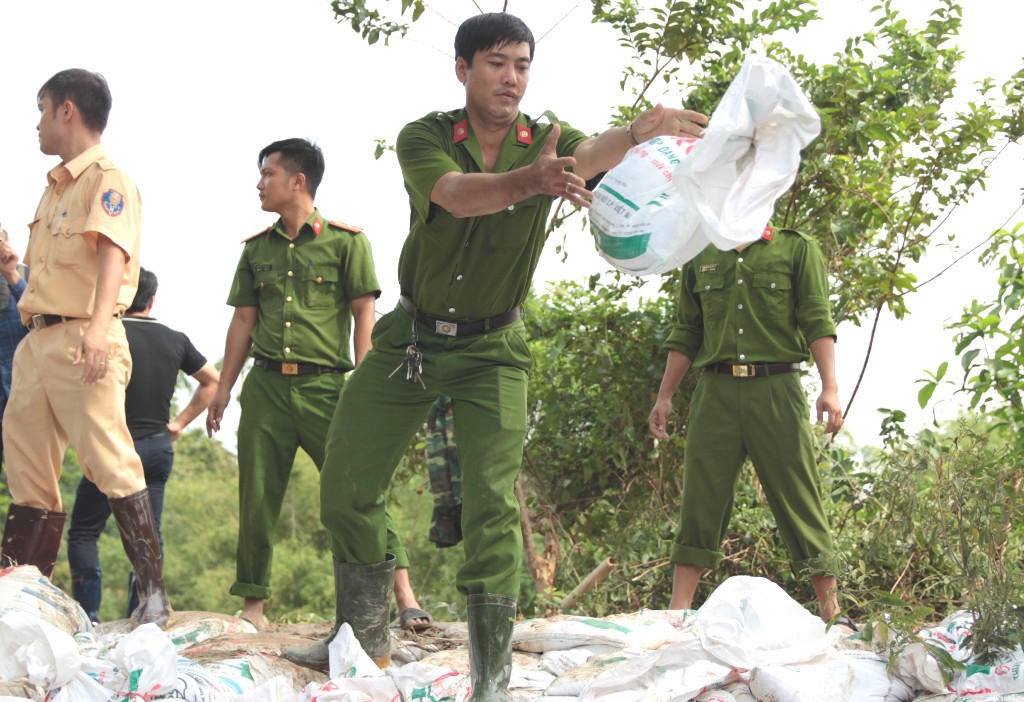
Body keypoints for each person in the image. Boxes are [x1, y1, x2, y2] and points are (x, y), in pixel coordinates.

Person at [282, 12, 708, 696]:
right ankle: (360, 639)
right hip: (412, 339)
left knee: (490, 506)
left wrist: (637, 134)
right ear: (463, 69)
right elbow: (451, 196)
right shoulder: (425, 136)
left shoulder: (548, 140)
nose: (511, 78)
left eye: (521, 65)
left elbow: (589, 154)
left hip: (494, 349)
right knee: (346, 485)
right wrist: (532, 183)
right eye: (495, 64)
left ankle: (489, 677)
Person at [206, 138, 429, 633]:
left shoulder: (347, 242)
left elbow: (363, 315)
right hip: (265, 389)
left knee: (358, 490)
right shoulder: (256, 249)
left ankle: (404, 594)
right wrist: (223, 388)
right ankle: (252, 606)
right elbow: (243, 322)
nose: (260, 184)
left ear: (297, 181)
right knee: (256, 494)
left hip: (329, 389)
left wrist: (367, 391)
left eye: (267, 174)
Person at [0, 68, 171, 627]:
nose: (37, 123)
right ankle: (23, 597)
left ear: (66, 111)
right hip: (36, 339)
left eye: (42, 109)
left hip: (82, 336)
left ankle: (152, 594)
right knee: (27, 466)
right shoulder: (54, 189)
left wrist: (99, 330)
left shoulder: (108, 178)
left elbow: (114, 255)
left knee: (108, 459)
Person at [647, 226, 847, 624]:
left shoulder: (796, 249)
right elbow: (688, 329)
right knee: (700, 499)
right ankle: (677, 614)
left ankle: (833, 613)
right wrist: (665, 395)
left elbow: (816, 317)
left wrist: (831, 387)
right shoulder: (700, 251)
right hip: (715, 391)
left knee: (798, 496)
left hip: (777, 389)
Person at [67, 268, 219, 623]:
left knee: (84, 533)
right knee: (150, 533)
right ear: (152, 300)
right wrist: (179, 424)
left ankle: (89, 617)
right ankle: (145, 613)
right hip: (155, 448)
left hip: (112, 447)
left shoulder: (106, 336)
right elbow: (211, 380)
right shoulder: (175, 339)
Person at [0, 233, 29, 477]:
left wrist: (10, 273)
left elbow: (39, 315)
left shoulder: (23, 275)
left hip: (21, 396)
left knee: (30, 475)